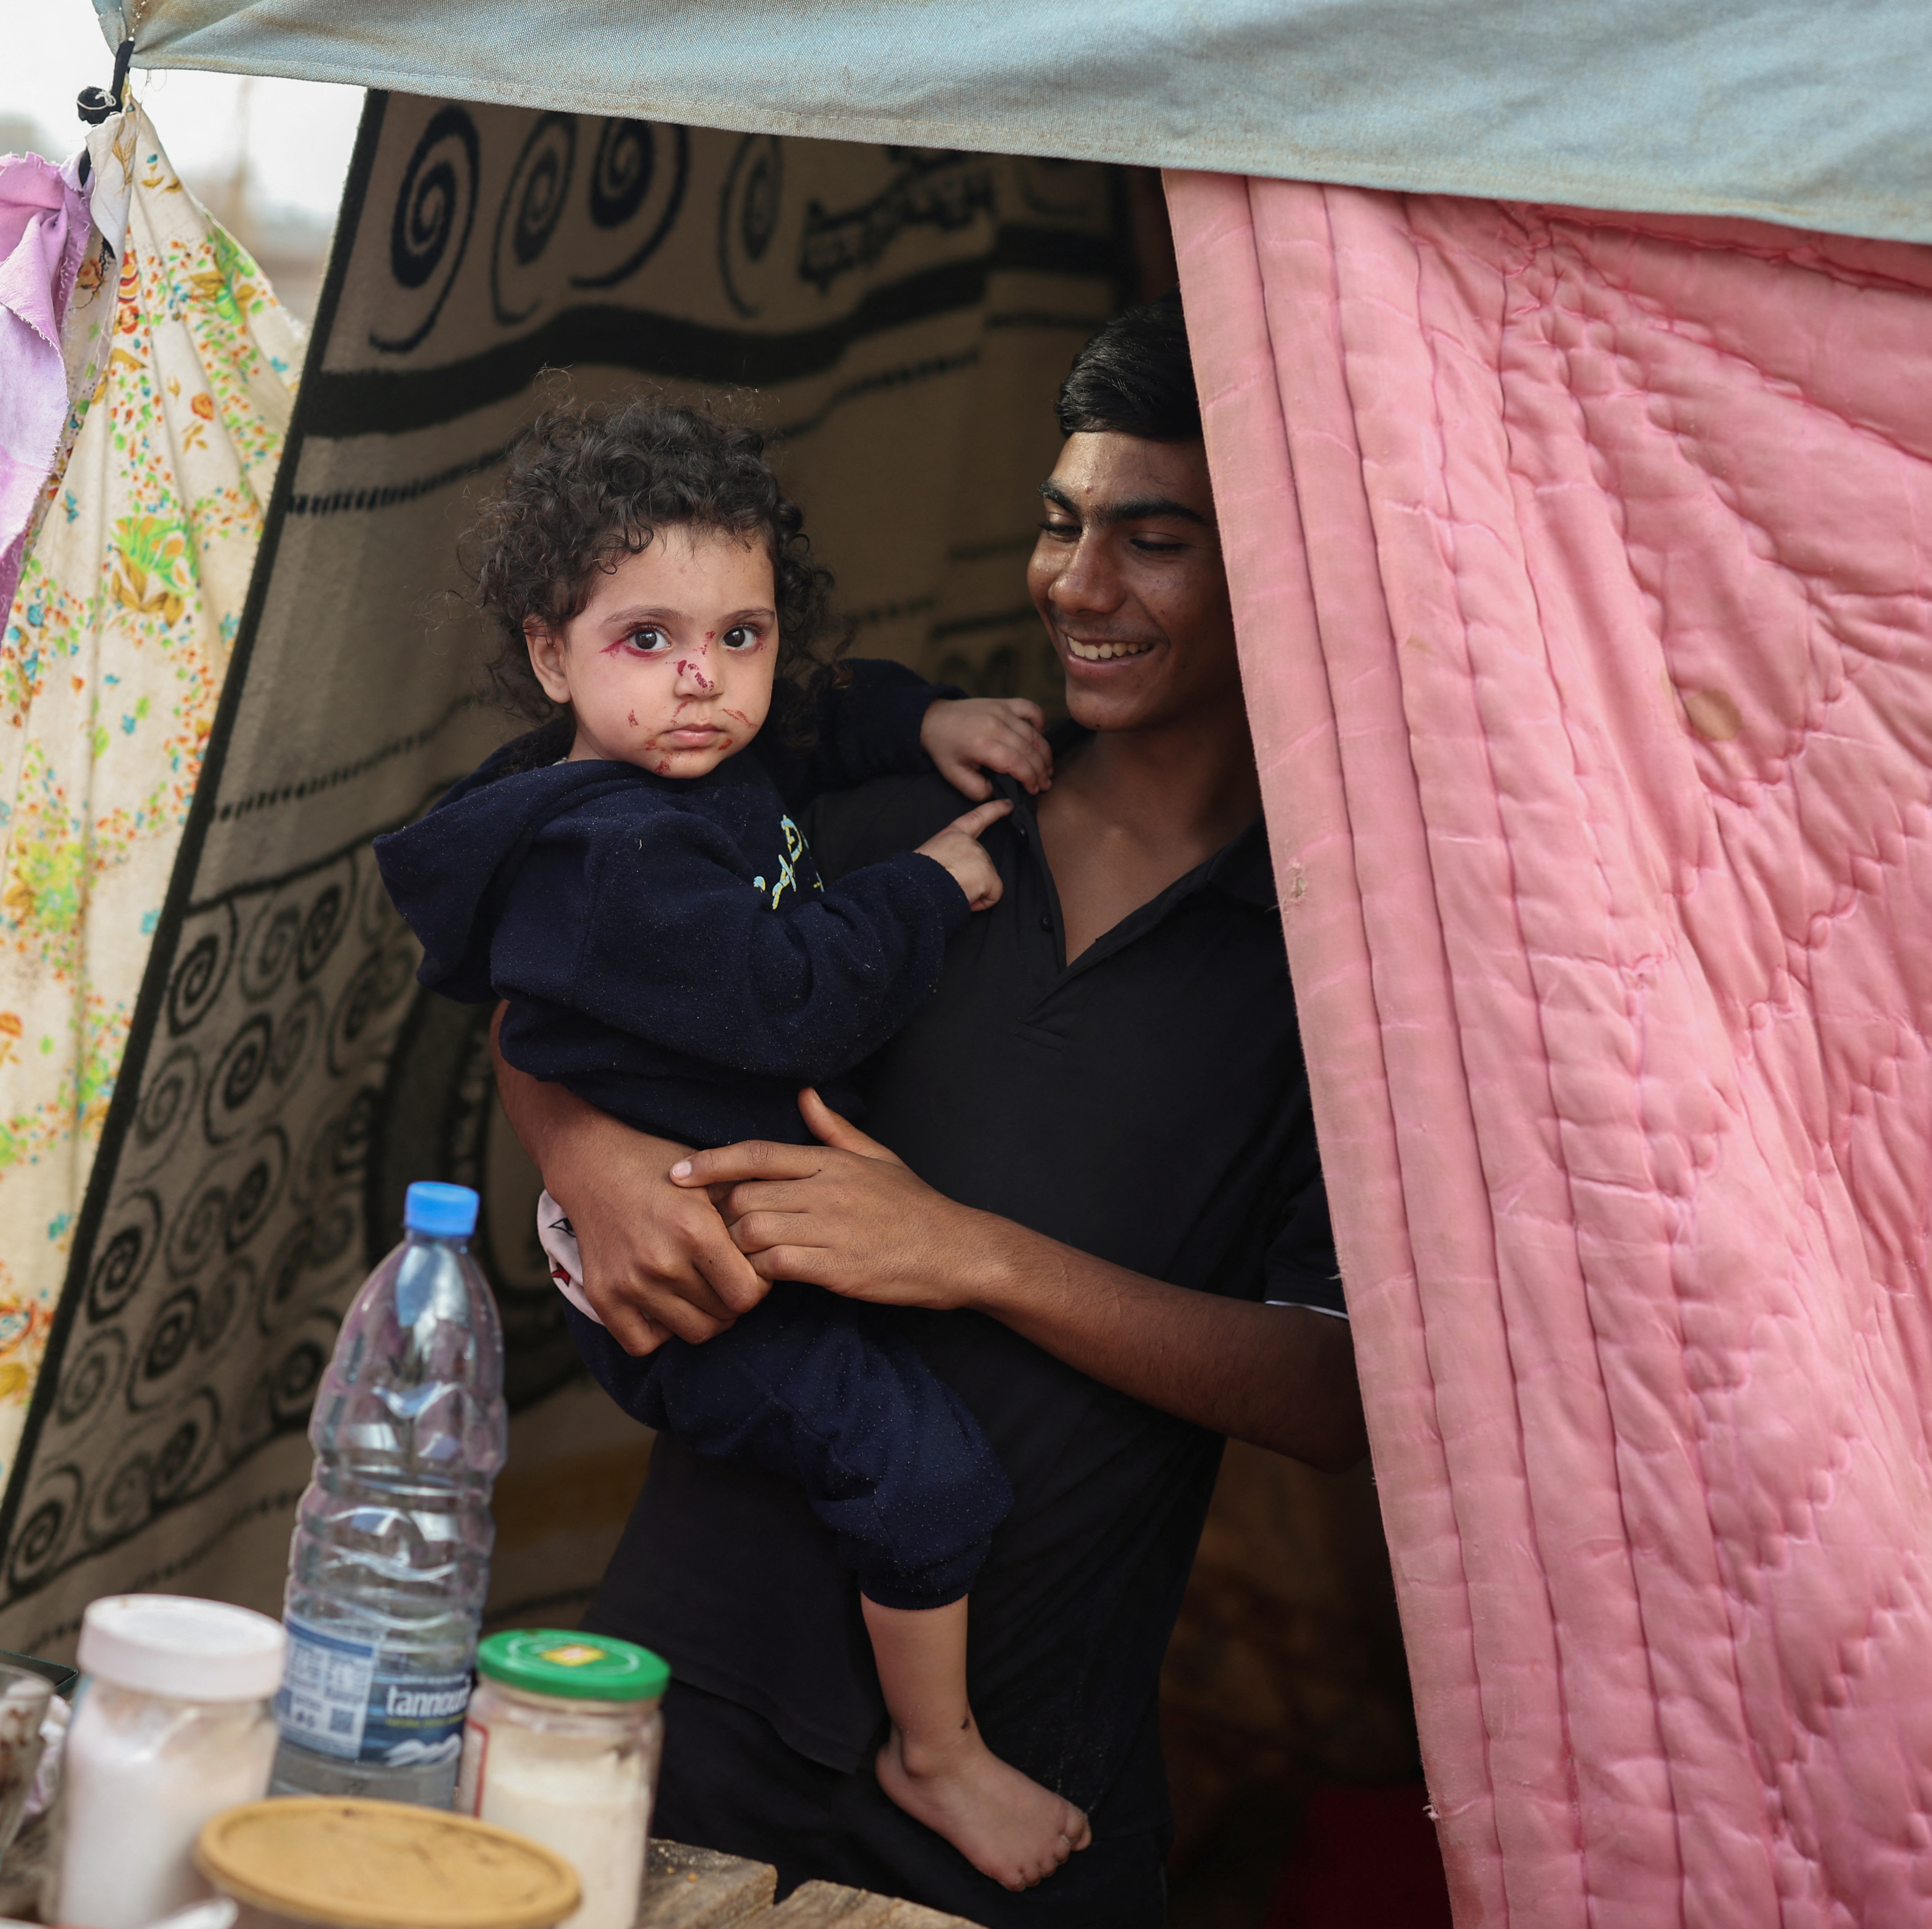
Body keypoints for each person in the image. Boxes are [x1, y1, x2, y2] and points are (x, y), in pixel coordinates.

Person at [494, 299, 1366, 1929]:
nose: (1078, 584)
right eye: (1062, 524)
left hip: (1021, 1793)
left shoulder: (1345, 970)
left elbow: (1335, 1389)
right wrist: (581, 1153)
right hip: (686, 1712)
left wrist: (972, 1255)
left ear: (1287, 570)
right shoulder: (899, 816)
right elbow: (568, 972)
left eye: (1153, 538)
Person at [374, 398, 1093, 1889]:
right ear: (544, 650)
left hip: (725, 1194)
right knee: (925, 1475)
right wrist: (927, 887)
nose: (702, 681)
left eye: (740, 635)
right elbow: (788, 1004)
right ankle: (937, 1751)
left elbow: (819, 718)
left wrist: (922, 722)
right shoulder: (610, 851)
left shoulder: (692, 754)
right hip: (692, 1268)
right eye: (646, 639)